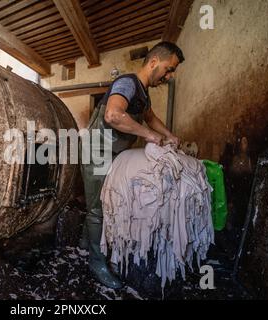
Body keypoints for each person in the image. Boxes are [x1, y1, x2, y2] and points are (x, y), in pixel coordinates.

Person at [79, 41, 185, 289]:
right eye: (169, 69)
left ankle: (86, 241)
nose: (169, 76)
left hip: (112, 151)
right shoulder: (127, 83)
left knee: (100, 200)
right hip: (98, 150)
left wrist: (169, 135)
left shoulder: (142, 93)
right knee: (99, 208)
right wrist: (148, 136)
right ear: (154, 62)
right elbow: (113, 115)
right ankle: (96, 262)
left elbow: (150, 117)